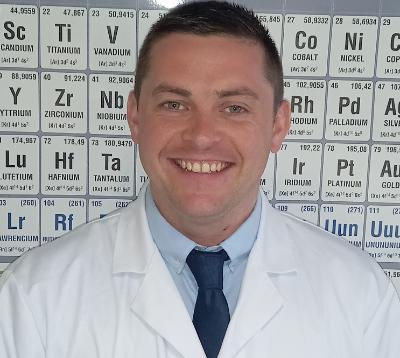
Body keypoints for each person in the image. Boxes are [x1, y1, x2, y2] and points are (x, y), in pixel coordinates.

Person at [1, 1, 399, 357]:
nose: (202, 136)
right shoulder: (32, 299)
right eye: (174, 104)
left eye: (234, 107)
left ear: (278, 125)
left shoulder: (362, 296)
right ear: (136, 117)